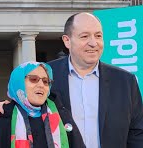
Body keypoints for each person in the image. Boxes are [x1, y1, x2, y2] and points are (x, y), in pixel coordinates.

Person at [48, 12, 143, 148]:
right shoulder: (46, 75)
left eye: (98, 36)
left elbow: (137, 133)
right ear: (67, 41)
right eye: (85, 36)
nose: (93, 43)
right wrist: (6, 108)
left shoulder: (126, 81)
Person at [0, 61, 85, 148]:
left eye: (46, 81)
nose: (41, 85)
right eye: (33, 79)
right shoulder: (1, 119)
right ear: (18, 82)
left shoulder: (62, 116)